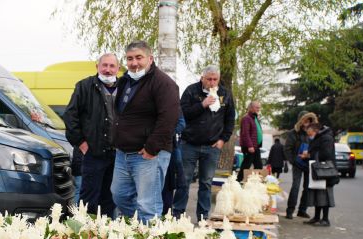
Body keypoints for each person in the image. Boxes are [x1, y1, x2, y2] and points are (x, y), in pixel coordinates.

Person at [110, 40, 180, 223]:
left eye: (139, 57)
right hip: (123, 154)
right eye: (130, 58)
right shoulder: (126, 81)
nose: (134, 63)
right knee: (119, 196)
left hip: (148, 155)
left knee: (148, 205)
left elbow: (169, 118)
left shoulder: (163, 83)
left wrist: (152, 148)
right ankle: (135, 230)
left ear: (150, 58)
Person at [174, 65, 235, 221]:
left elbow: (229, 119)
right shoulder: (191, 91)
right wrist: (202, 104)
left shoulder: (225, 94)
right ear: (202, 78)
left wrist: (223, 139)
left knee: (206, 183)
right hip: (189, 144)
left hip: (212, 146)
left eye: (215, 79)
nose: (212, 82)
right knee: (184, 180)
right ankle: (177, 215)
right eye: (209, 79)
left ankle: (202, 217)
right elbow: (182, 113)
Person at [63, 53, 119, 217]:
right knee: (88, 201)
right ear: (97, 67)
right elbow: (70, 116)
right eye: (104, 65)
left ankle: (106, 236)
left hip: (117, 155)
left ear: (118, 68)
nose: (108, 70)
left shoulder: (125, 88)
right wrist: (81, 143)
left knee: (110, 200)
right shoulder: (84, 86)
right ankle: (85, 236)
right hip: (93, 154)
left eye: (111, 66)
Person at [283, 111, 318, 219]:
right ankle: (290, 210)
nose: (307, 123)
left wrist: (310, 155)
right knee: (296, 186)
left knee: (308, 187)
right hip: (297, 163)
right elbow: (287, 148)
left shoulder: (312, 133)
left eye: (309, 121)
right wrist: (293, 160)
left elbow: (316, 147)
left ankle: (302, 210)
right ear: (301, 121)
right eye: (305, 120)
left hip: (308, 163)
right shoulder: (294, 133)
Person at [303, 123, 336, 226]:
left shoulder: (326, 138)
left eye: (310, 133)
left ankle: (325, 219)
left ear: (316, 130)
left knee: (324, 195)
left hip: (325, 171)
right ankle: (317, 217)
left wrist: (310, 155)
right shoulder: (319, 137)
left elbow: (326, 153)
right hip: (318, 170)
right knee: (317, 193)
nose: (309, 136)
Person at [236, 101, 263, 182]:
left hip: (256, 146)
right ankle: (238, 181)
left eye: (259, 107)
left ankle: (257, 182)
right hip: (249, 146)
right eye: (257, 107)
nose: (259, 109)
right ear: (251, 108)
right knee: (246, 165)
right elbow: (245, 133)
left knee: (259, 165)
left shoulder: (254, 118)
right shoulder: (246, 118)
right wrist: (250, 146)